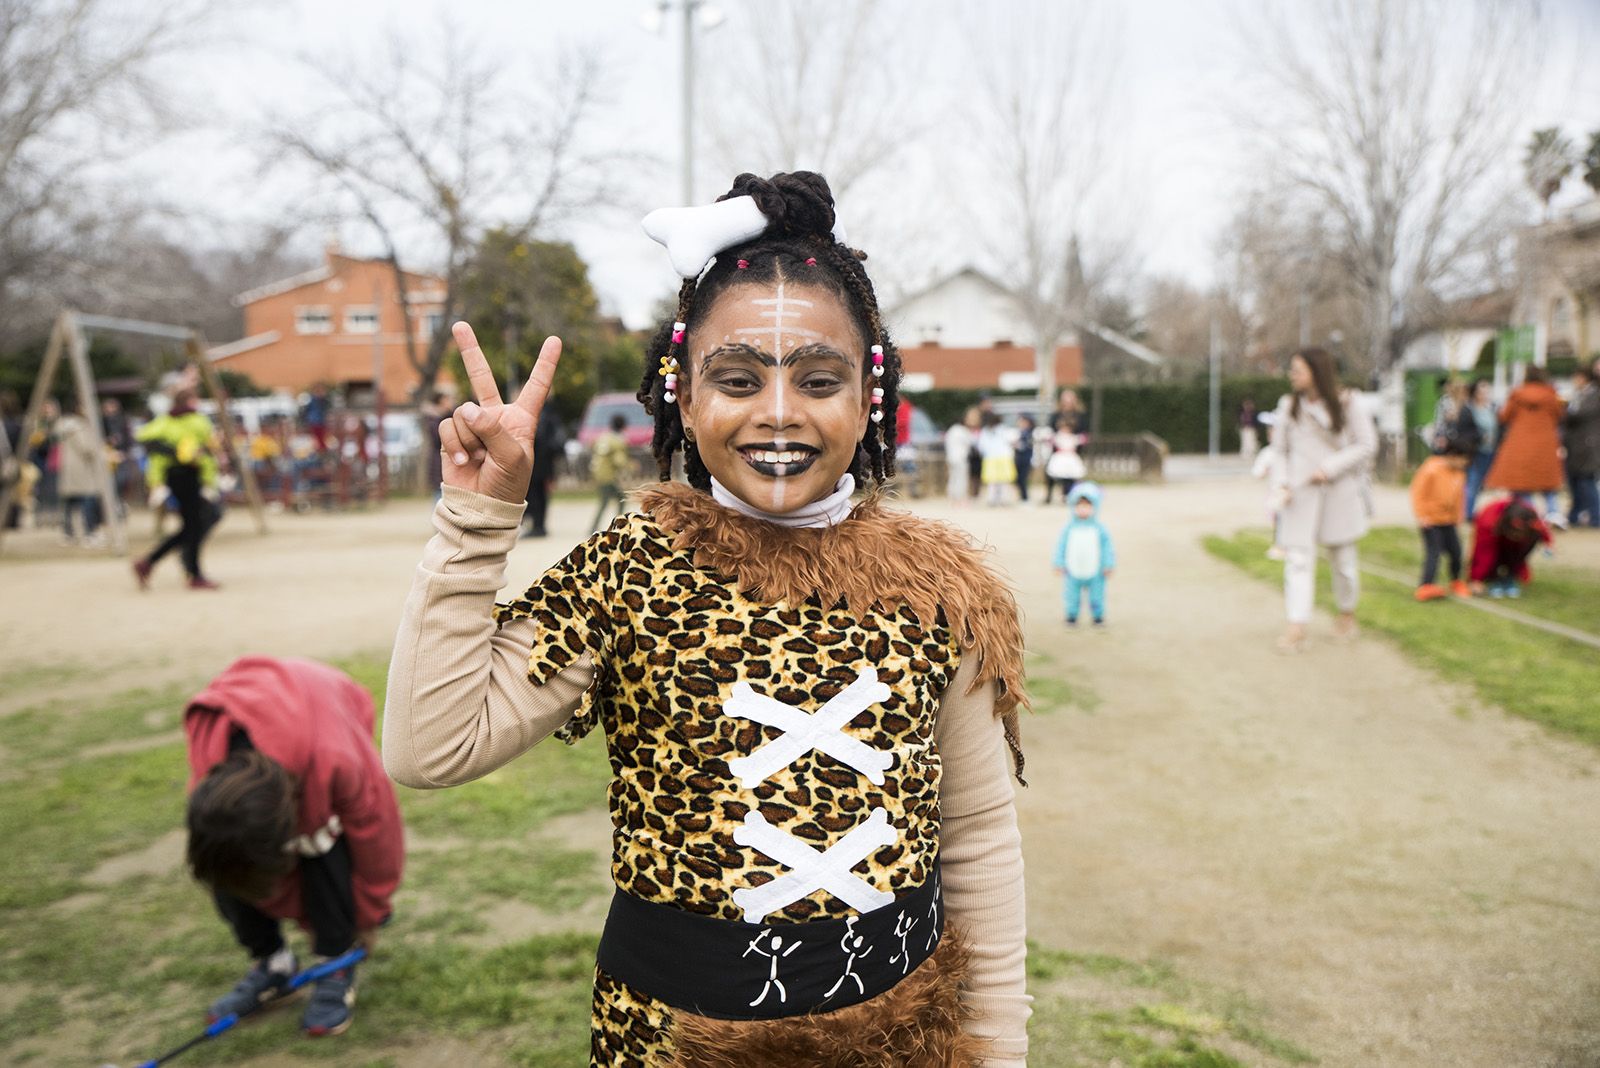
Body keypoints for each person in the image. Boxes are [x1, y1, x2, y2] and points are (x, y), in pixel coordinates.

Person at [385, 171, 1029, 1066]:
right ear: (682, 396)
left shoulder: (939, 588)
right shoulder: (628, 572)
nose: (776, 412)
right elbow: (430, 747)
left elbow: (978, 834)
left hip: (902, 1044)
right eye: (736, 378)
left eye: (817, 378)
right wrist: (476, 518)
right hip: (669, 1047)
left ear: (868, 397)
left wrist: (997, 1052)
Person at [185, 657, 403, 1037]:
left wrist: (368, 915)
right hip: (264, 712)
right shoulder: (211, 752)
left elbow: (378, 833)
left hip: (327, 705)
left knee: (321, 846)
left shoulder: (334, 758)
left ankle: (336, 960)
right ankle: (274, 964)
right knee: (226, 860)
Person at [1268, 347, 1378, 653]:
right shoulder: (1288, 406)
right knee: (1298, 561)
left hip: (1339, 493)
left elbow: (1367, 445)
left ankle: (1347, 613)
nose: (1292, 375)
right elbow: (1280, 450)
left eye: (1298, 370)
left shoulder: (1348, 403)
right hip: (1299, 495)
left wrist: (1329, 468)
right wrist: (1281, 483)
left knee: (1343, 562)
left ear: (1317, 372)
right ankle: (1297, 625)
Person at [132, 388, 222, 590]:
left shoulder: (165, 421)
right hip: (191, 477)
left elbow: (143, 436)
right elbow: (208, 449)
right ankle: (188, 572)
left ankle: (152, 563)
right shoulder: (198, 422)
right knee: (195, 526)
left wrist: (169, 452)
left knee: (192, 526)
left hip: (173, 477)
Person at [1485, 365, 1565, 529]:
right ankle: (1553, 513)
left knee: (1520, 484)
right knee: (1548, 483)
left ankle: (1528, 516)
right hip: (1545, 444)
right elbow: (1559, 415)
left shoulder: (1517, 394)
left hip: (1519, 443)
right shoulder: (1551, 395)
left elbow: (1504, 416)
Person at [1408, 432, 1472, 602]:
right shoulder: (1431, 468)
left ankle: (1456, 581)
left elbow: (1460, 497)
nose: (1464, 463)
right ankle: (1426, 585)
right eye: (1462, 459)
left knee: (1456, 552)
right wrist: (1422, 516)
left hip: (1448, 520)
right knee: (1433, 553)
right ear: (1452, 455)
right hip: (1431, 520)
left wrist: (1459, 516)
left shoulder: (1460, 474)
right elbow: (1417, 492)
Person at [1052, 481, 1115, 626]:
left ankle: (1098, 616)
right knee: (1071, 595)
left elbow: (1107, 548)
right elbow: (1061, 546)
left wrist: (1108, 564)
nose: (1083, 509)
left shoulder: (1100, 529)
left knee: (1097, 595)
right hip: (1072, 569)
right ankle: (1071, 615)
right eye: (1079, 505)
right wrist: (1058, 563)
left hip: (1096, 570)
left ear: (1095, 506)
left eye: (1088, 505)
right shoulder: (1068, 528)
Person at [1469, 494, 1553, 598]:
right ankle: (1494, 576)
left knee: (1524, 546)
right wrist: (1477, 579)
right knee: (1491, 560)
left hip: (1517, 544)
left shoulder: (1530, 516)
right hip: (1496, 535)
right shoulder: (1489, 521)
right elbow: (1484, 553)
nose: (1517, 536)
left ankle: (1511, 575)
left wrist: (1548, 543)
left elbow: (1542, 530)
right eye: (1515, 533)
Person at [51, 401, 104, 545]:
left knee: (69, 502)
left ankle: (68, 534)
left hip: (67, 467)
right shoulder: (80, 426)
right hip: (82, 468)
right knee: (87, 499)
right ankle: (89, 533)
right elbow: (87, 448)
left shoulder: (64, 425)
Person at [1560, 365, 1600, 529]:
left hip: (1588, 446)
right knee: (1575, 481)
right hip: (1575, 446)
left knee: (1586, 481)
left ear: (1584, 378)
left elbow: (1578, 414)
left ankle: (1596, 516)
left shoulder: (1594, 395)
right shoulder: (1579, 395)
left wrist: (1565, 410)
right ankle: (1574, 516)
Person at [522, 403, 563, 538]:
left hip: (537, 465)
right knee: (541, 497)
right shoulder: (550, 415)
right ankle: (539, 525)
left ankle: (538, 526)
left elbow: (538, 439)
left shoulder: (540, 416)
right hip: (544, 465)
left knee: (536, 496)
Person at [1462, 377, 1498, 521]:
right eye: (1482, 391)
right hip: (1475, 451)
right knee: (1473, 481)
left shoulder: (1491, 408)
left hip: (1490, 450)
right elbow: (1467, 430)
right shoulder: (1469, 410)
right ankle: (1467, 512)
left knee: (1482, 483)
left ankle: (1472, 510)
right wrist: (1478, 437)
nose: (1485, 394)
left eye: (1487, 390)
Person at [589, 411, 630, 532]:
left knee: (605, 501)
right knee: (619, 499)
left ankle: (595, 527)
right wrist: (631, 466)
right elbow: (619, 461)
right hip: (607, 476)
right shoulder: (618, 441)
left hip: (598, 473)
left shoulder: (604, 437)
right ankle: (620, 525)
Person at [1045, 389, 1085, 504]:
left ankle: (1067, 494)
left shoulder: (1079, 415)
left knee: (1070, 474)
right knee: (1051, 471)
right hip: (1058, 449)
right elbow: (1050, 429)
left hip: (1072, 450)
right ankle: (1049, 494)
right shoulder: (1056, 415)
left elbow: (1083, 431)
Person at [977, 412, 1016, 506]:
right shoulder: (1004, 429)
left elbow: (981, 446)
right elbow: (1012, 440)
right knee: (1002, 481)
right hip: (1003, 457)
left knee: (993, 481)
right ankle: (1003, 499)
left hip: (991, 458)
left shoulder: (986, 431)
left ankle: (994, 499)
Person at [943, 407, 976, 504]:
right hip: (960, 458)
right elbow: (971, 442)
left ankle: (952, 498)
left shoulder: (950, 431)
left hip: (950, 457)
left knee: (953, 478)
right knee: (961, 479)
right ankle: (960, 499)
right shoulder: (962, 431)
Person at [1012, 414, 1036, 502]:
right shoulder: (1019, 432)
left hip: (1026, 459)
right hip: (1019, 459)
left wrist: (1016, 445)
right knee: (1018, 479)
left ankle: (1025, 497)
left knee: (1023, 478)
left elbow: (1026, 446)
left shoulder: (1029, 433)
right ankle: (1022, 496)